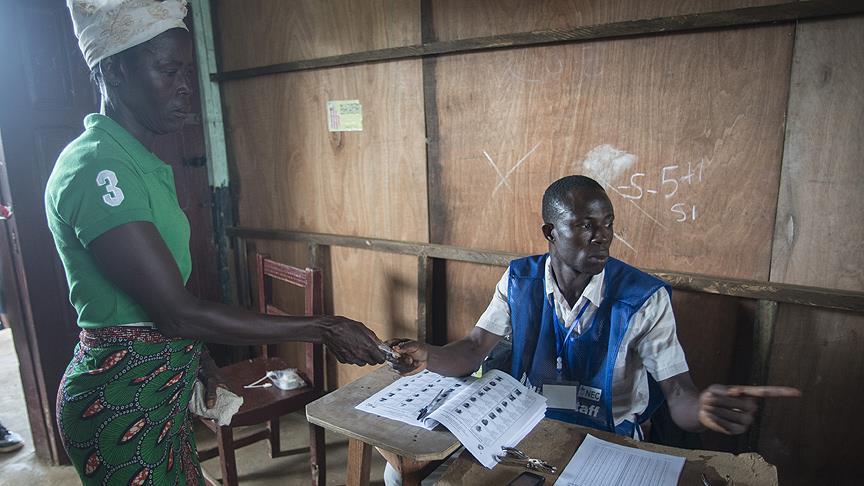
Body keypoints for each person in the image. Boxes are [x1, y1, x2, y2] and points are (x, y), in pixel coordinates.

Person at [48, 2, 386, 483]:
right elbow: (175, 312)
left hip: (160, 389)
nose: (186, 86)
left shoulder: (137, 162)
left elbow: (163, 306)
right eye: (168, 70)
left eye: (188, 69)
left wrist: (198, 359)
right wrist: (324, 327)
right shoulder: (99, 169)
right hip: (119, 399)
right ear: (114, 71)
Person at [385, 175, 799, 483]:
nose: (602, 238)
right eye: (585, 225)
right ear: (551, 232)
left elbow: (679, 395)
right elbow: (474, 348)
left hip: (607, 439)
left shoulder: (643, 297)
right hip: (528, 428)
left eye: (608, 224)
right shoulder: (519, 280)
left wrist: (703, 410)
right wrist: (429, 355)